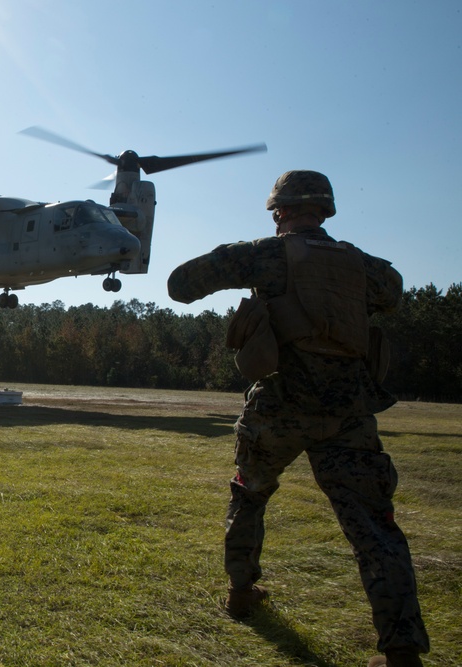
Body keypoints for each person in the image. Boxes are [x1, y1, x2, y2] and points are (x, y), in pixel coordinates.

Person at [166, 170, 429, 667]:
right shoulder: (366, 267)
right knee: (375, 531)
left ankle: (241, 593)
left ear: (278, 210)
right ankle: (401, 650)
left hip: (278, 410)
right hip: (349, 416)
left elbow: (181, 286)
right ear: (325, 212)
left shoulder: (264, 253)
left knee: (248, 495)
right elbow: (392, 293)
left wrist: (247, 267)